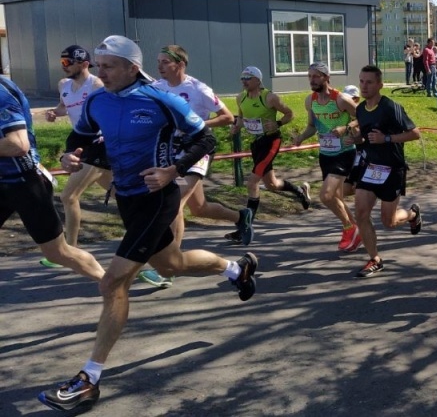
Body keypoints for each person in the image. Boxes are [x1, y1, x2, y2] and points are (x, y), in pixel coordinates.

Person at [39, 35, 257, 413]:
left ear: (130, 67)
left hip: (159, 197)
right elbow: (83, 137)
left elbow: (204, 139)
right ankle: (236, 269)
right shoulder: (98, 99)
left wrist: (173, 168)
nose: (100, 72)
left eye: (108, 66)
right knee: (171, 264)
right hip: (127, 198)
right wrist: (69, 154)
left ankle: (89, 379)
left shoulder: (161, 99)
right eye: (99, 65)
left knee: (113, 281)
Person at [141, 44, 254, 288]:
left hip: (197, 149)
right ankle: (240, 216)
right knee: (199, 208)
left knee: (175, 203)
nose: (159, 66)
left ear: (179, 65)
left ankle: (169, 268)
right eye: (158, 61)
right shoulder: (157, 88)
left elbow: (227, 117)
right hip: (172, 150)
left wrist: (198, 125)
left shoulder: (198, 88)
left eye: (164, 62)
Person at [0, 75, 105, 281]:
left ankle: (110, 283)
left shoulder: (2, 93)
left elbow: (18, 144)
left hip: (24, 183)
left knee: (58, 253)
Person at [345, 65, 423, 278]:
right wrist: (356, 139)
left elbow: (415, 133)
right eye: (361, 81)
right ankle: (375, 259)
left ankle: (412, 214)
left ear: (380, 84)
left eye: (369, 82)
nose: (364, 86)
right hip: (370, 168)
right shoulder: (360, 109)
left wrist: (386, 139)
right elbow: (366, 136)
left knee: (389, 222)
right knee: (361, 213)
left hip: (392, 169)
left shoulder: (390, 107)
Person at [42, 45, 113, 268]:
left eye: (67, 62)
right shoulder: (63, 85)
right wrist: (55, 113)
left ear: (84, 64)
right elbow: (64, 106)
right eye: (61, 62)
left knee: (68, 196)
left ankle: (69, 252)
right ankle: (154, 225)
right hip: (81, 144)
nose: (63, 67)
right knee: (125, 196)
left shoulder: (97, 85)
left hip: (98, 145)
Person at [292, 62, 362, 253]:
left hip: (345, 153)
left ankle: (350, 228)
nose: (311, 80)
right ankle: (358, 232)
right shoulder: (311, 101)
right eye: (309, 77)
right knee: (337, 197)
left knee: (326, 196)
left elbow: (363, 117)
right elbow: (312, 126)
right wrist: (300, 138)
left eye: (315, 76)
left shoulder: (341, 99)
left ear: (326, 77)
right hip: (326, 154)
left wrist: (346, 128)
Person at [231, 65, 311, 227]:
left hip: (271, 141)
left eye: (248, 78)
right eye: (242, 78)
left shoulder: (270, 97)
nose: (244, 81)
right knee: (271, 184)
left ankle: (246, 226)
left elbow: (290, 113)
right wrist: (236, 127)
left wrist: (278, 123)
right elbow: (240, 117)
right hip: (256, 143)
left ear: (258, 80)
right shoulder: (241, 98)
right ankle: (299, 191)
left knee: (252, 182)